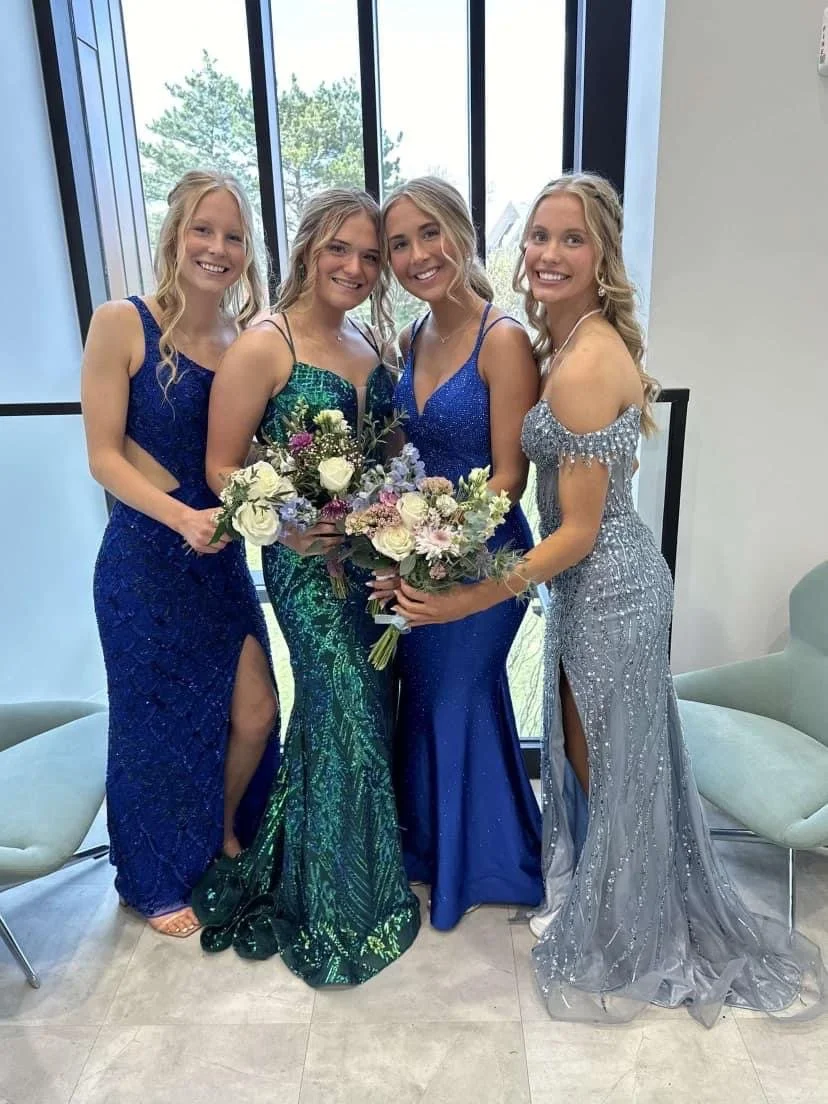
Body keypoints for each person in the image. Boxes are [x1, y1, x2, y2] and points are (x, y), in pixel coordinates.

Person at [392, 172, 826, 1024]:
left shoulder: (585, 360)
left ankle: (638, 928)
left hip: (611, 586)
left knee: (611, 762)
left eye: (572, 240)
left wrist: (471, 597)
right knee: (595, 756)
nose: (549, 254)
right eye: (541, 237)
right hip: (590, 588)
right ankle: (613, 902)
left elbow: (579, 530)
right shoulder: (570, 338)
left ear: (603, 256)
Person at [192, 188, 420, 985]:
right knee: (342, 704)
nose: (355, 267)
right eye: (339, 250)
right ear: (307, 250)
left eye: (367, 255)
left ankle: (344, 862)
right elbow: (220, 465)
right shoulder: (267, 344)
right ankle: (334, 900)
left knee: (364, 708)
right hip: (301, 566)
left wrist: (394, 520)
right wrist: (284, 520)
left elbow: (389, 452)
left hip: (367, 565)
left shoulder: (365, 340)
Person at [84, 170, 279, 937]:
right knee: (152, 723)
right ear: (175, 235)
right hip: (143, 561)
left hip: (221, 564)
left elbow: (246, 451)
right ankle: (155, 876)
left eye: (233, 237)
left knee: (255, 713)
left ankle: (222, 828)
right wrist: (180, 518)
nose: (218, 248)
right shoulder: (121, 323)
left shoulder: (246, 340)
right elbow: (102, 456)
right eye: (205, 230)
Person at [376, 176, 544, 930]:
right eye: (400, 245)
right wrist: (401, 530)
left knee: (453, 698)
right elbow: (405, 448)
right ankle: (436, 852)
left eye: (428, 234)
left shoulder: (502, 339)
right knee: (426, 706)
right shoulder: (412, 338)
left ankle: (475, 867)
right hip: (420, 553)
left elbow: (511, 475)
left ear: (461, 234)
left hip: (489, 560)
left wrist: (449, 539)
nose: (417, 255)